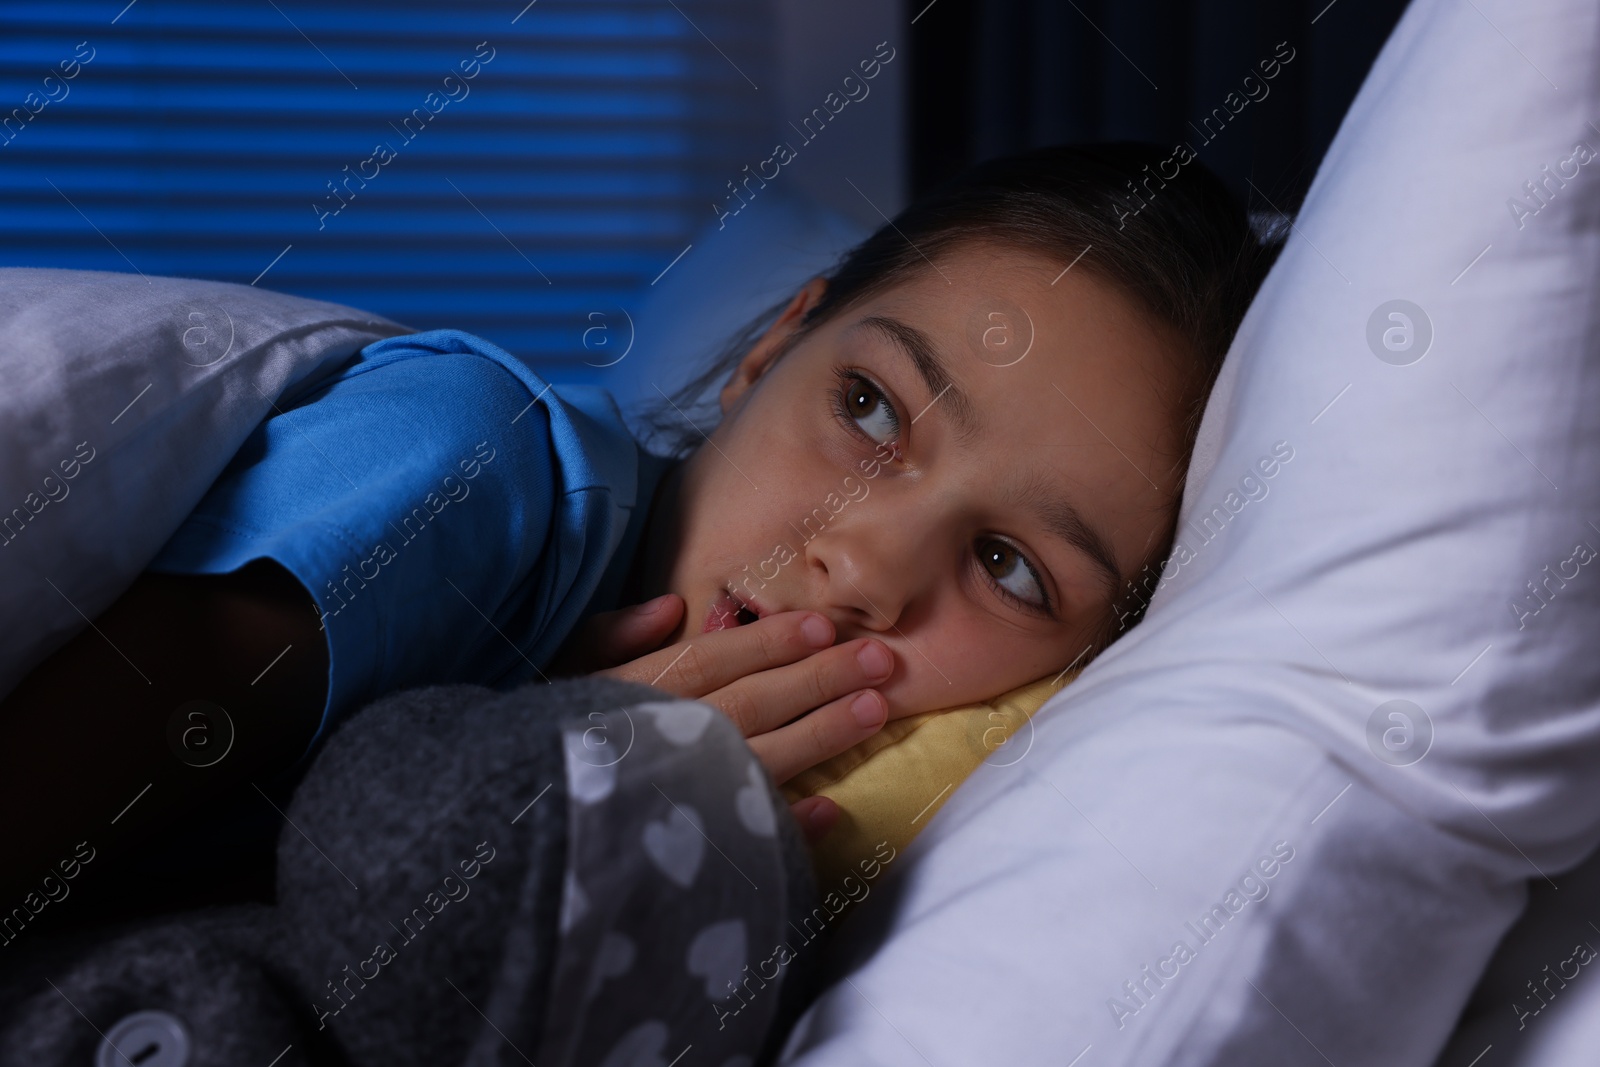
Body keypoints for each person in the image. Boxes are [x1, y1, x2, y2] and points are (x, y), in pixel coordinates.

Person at [0, 143, 1273, 914]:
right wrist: (492, 775)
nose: (868, 563)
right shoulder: (472, 462)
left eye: (1007, 566)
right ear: (774, 344)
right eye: (871, 406)